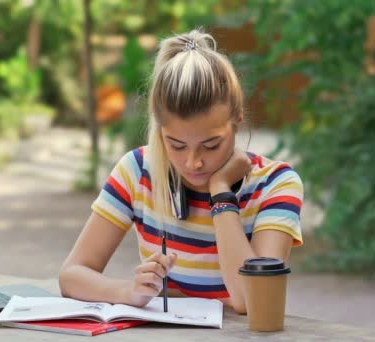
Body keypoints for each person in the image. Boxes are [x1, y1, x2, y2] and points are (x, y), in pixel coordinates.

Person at [59, 28, 303, 314]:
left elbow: (251, 301)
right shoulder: (137, 171)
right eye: (176, 145)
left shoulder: (277, 184)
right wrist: (129, 291)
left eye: (211, 145)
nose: (193, 162)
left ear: (238, 118)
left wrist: (221, 192)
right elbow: (72, 275)